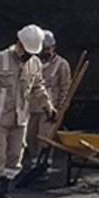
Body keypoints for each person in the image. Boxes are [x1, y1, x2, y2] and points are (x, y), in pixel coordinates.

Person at [0, 24, 57, 198]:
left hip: (20, 117)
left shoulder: (34, 64)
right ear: (19, 44)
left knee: (15, 155)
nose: (28, 55)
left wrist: (47, 106)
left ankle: (3, 193)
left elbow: (38, 87)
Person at [24, 30, 71, 166]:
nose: (45, 52)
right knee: (30, 136)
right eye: (43, 49)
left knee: (45, 137)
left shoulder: (61, 64)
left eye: (48, 49)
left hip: (50, 108)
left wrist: (61, 108)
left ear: (53, 47)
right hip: (32, 107)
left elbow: (65, 88)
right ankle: (34, 161)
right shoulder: (32, 64)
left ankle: (45, 162)